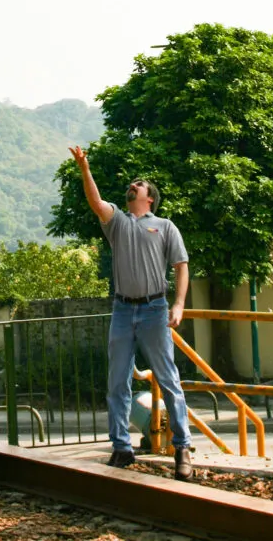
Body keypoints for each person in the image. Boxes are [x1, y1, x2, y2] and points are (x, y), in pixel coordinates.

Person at [69, 145, 193, 481]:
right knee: (116, 382)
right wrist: (84, 168)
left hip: (155, 309)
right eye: (131, 185)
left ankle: (182, 447)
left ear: (149, 198)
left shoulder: (165, 226)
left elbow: (181, 266)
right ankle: (121, 448)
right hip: (122, 309)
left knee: (168, 379)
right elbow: (96, 202)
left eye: (138, 185)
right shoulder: (118, 222)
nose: (132, 187)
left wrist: (178, 304)